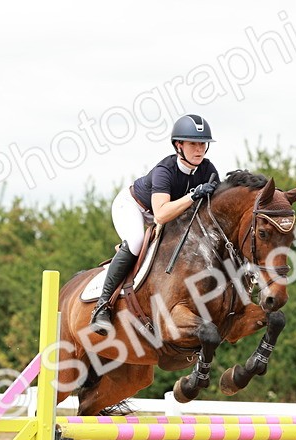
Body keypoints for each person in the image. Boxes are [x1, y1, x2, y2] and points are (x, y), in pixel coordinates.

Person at [90, 113, 220, 333]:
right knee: (136, 241)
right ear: (178, 145)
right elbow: (159, 215)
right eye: (193, 144)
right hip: (135, 207)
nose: (199, 149)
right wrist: (193, 195)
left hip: (171, 213)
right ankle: (102, 306)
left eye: (203, 144)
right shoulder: (164, 171)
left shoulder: (208, 170)